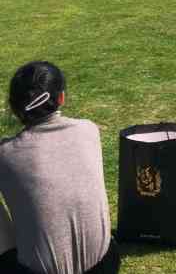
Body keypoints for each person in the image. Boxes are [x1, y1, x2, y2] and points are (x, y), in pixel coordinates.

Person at [0, 61, 120, 274]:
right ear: (62, 97)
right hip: (105, 265)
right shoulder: (89, 130)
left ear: (14, 107)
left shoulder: (5, 153)